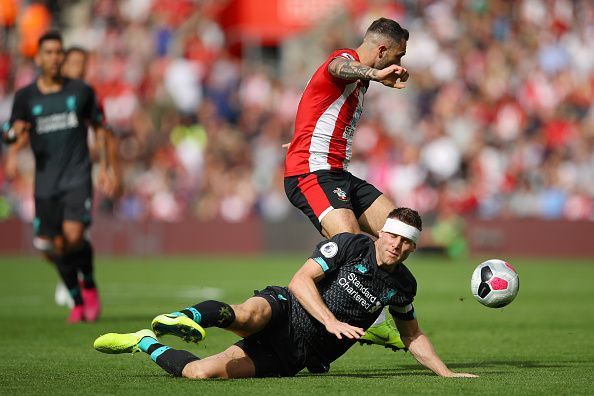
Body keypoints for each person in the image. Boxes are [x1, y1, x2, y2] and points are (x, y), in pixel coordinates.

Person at [93, 208, 477, 379]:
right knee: (246, 314)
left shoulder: (403, 285)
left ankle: (144, 342)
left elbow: (412, 335)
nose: (395, 244)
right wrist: (331, 320)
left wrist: (446, 373)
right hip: (287, 308)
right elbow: (300, 281)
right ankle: (187, 317)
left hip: (294, 353)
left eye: (405, 241)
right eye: (392, 235)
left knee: (199, 373)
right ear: (382, 232)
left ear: (413, 248)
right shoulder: (348, 245)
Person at [283, 18, 410, 350]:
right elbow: (338, 67)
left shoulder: (360, 83)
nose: (399, 65)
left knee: (400, 232)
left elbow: (316, 104)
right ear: (381, 49)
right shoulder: (345, 61)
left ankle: (374, 317)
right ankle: (321, 326)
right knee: (349, 244)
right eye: (397, 56)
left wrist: (300, 137)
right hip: (311, 173)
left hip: (336, 173)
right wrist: (374, 73)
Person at [1, 31, 120, 323]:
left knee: (74, 235)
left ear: (63, 57)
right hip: (45, 181)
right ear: (39, 57)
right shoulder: (26, 96)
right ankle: (76, 300)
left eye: (59, 52)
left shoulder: (80, 91)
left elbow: (100, 127)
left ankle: (89, 285)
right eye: (49, 52)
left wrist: (105, 166)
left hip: (77, 175)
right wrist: (13, 149)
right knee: (52, 245)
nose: (55, 58)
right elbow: (13, 130)